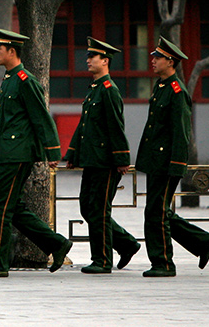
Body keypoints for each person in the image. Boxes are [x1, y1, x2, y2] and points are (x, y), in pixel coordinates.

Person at [0, 27, 72, 278]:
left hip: (18, 154)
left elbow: (41, 117)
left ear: (12, 51)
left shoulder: (25, 81)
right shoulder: (9, 80)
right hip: (9, 153)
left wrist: (53, 151)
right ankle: (56, 244)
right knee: (14, 208)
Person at [136, 37, 209, 278]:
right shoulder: (161, 87)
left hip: (166, 163)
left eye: (158, 57)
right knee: (159, 211)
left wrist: (178, 166)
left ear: (170, 61)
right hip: (156, 162)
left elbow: (181, 133)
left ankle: (163, 263)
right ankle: (201, 241)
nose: (153, 61)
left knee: (156, 213)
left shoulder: (177, 91)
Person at [63, 37, 141, 273]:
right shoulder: (95, 89)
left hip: (106, 162)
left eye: (92, 56)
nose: (88, 60)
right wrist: (72, 154)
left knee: (98, 210)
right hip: (92, 160)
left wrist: (121, 159)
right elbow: (84, 126)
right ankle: (126, 244)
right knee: (87, 208)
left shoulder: (109, 90)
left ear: (105, 60)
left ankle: (102, 260)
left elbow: (116, 127)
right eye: (88, 56)